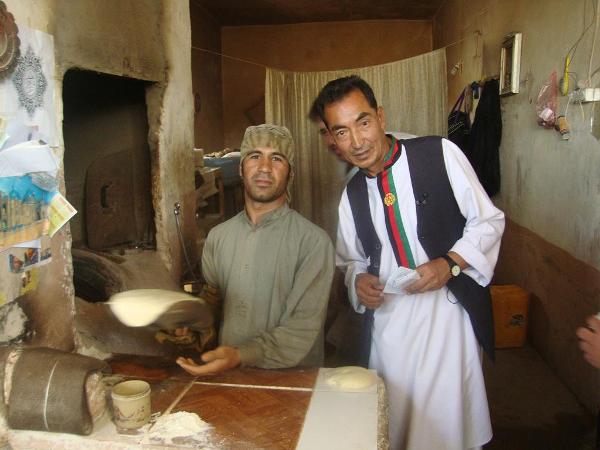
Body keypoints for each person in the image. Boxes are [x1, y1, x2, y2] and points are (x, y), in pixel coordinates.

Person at [312, 75, 505, 450]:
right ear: (333, 139)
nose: (357, 141)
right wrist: (358, 282)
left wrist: (449, 263)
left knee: (449, 425)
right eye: (342, 132)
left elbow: (489, 221)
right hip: (391, 327)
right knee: (396, 424)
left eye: (363, 122)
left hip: (448, 321)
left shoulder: (439, 154)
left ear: (381, 117)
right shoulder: (352, 194)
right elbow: (351, 261)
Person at [176, 124, 335, 376]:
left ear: (290, 174)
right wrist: (190, 325)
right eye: (254, 156)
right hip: (230, 374)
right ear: (241, 169)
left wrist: (240, 355)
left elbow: (302, 328)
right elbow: (214, 304)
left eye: (277, 158)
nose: (264, 167)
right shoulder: (218, 237)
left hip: (294, 380)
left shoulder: (314, 242)